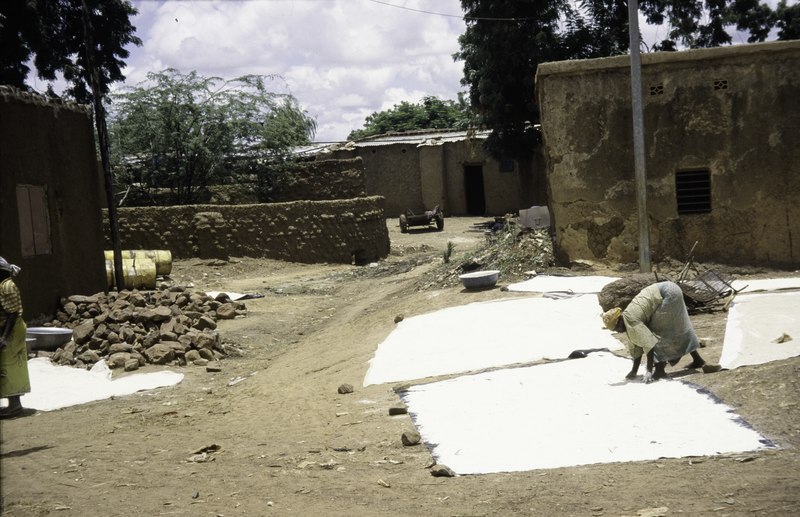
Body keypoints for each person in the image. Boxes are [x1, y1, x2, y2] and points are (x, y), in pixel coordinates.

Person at [602, 280, 717, 383]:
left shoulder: (631, 321)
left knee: (656, 331)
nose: (619, 331)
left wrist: (648, 371)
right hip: (670, 288)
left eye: (617, 328)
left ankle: (659, 370)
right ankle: (698, 360)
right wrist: (633, 371)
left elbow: (649, 343)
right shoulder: (627, 320)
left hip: (668, 293)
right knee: (678, 326)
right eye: (615, 331)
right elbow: (635, 347)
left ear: (619, 321)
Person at [0, 256, 30, 418]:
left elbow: (12, 314)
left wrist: (4, 337)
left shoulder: (8, 286)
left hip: (11, 329)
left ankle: (15, 405)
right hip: (5, 328)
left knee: (10, 365)